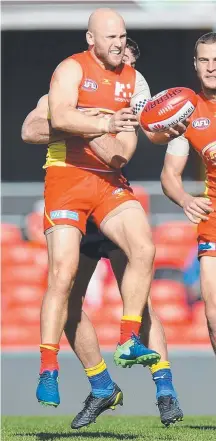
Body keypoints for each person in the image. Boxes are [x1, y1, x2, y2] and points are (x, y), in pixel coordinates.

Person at [22, 36, 183, 427]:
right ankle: (101, 387)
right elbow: (30, 129)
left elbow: (120, 154)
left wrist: (89, 122)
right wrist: (74, 120)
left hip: (109, 200)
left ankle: (165, 390)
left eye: (123, 63)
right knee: (69, 302)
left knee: (139, 299)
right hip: (71, 195)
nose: (114, 71)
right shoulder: (68, 87)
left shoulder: (129, 101)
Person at [161, 32, 216, 354]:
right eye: (205, 60)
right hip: (214, 220)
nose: (211, 67)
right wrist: (184, 199)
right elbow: (169, 175)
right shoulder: (184, 112)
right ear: (195, 65)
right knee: (212, 317)